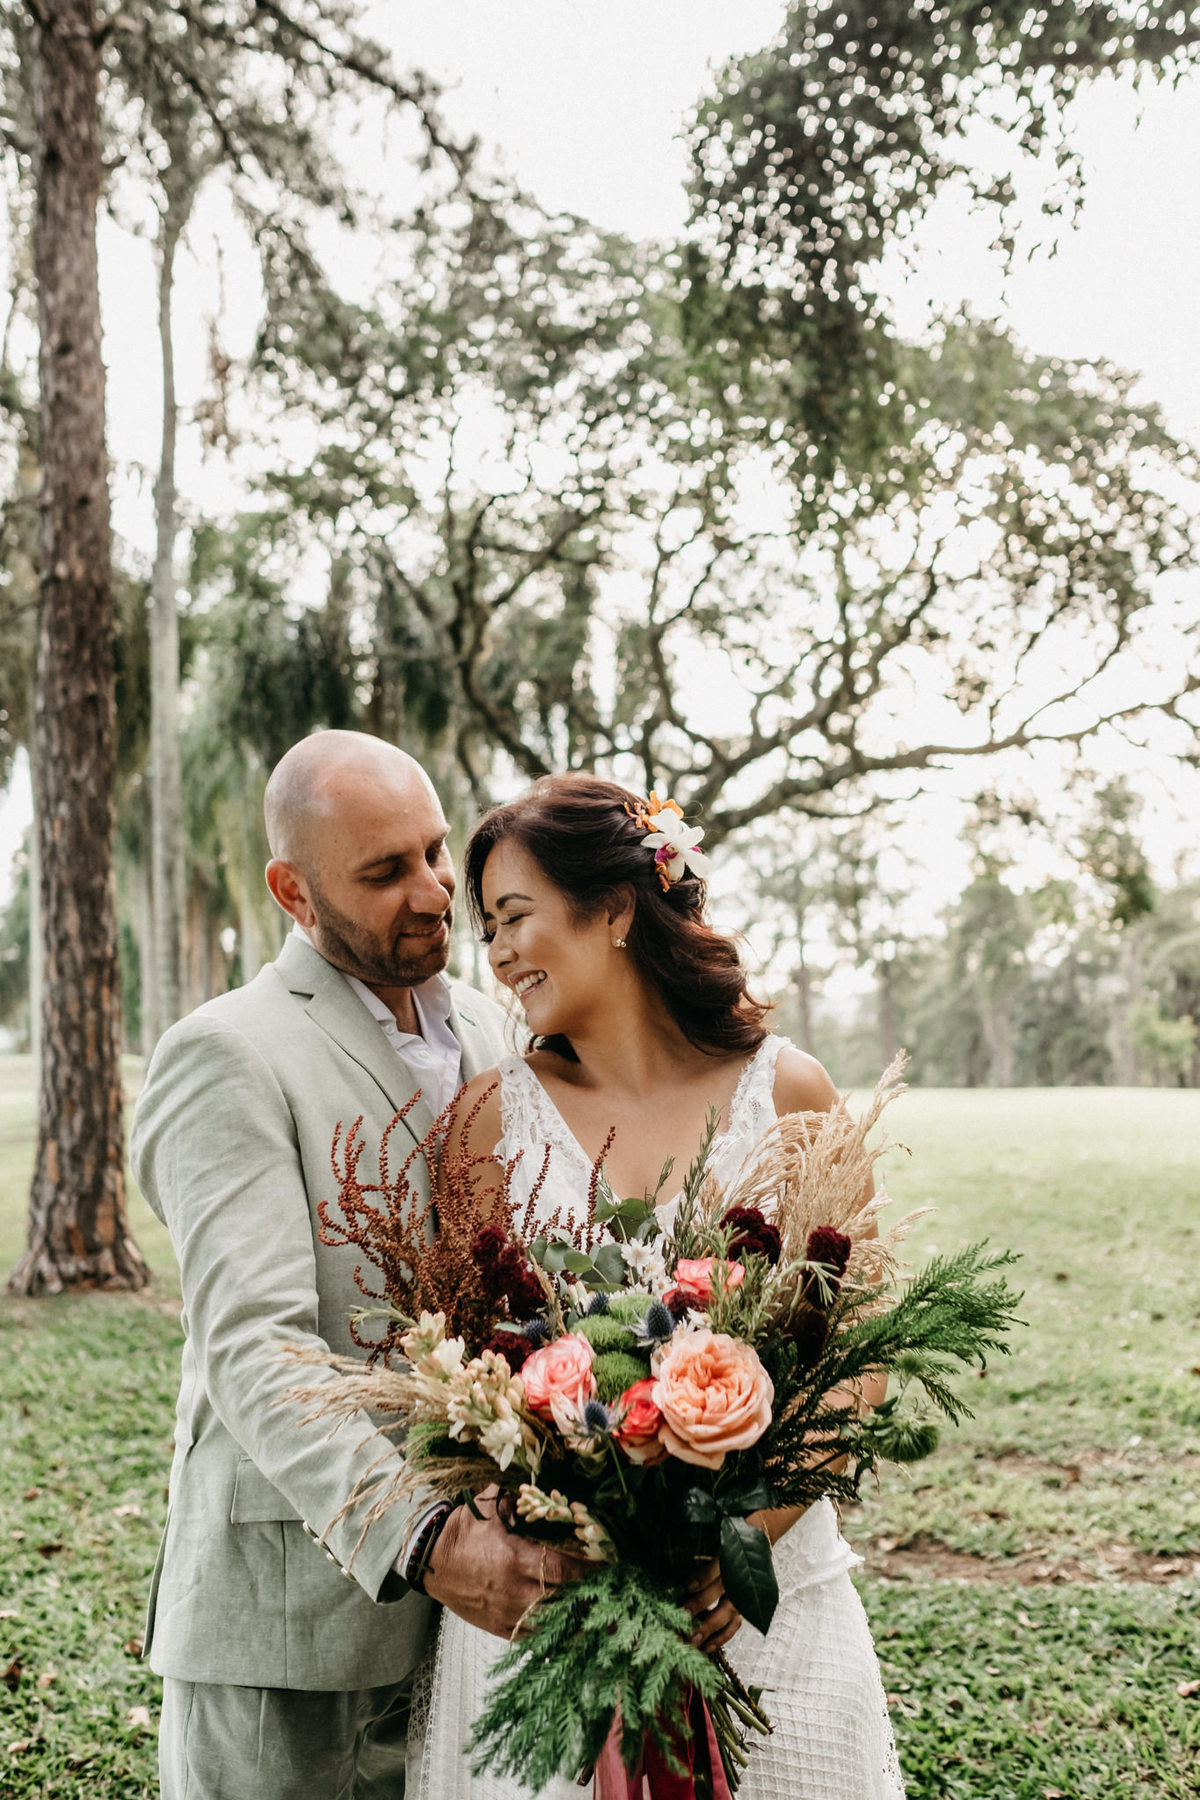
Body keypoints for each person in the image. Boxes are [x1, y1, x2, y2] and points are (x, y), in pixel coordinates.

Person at [410, 773, 905, 1800]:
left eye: (515, 917)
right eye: (487, 929)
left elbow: (862, 1364)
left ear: (616, 908)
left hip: (763, 1608)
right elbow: (457, 1380)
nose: (497, 954)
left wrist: (743, 1540)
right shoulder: (488, 1120)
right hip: (559, 1617)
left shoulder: (791, 1093)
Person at [131, 732, 582, 1800]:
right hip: (293, 1625)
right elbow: (256, 1348)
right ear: (293, 892)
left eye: (434, 851)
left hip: (477, 1633)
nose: (433, 891)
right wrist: (427, 1541)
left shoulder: (497, 1026)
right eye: (384, 873)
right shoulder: (226, 1053)